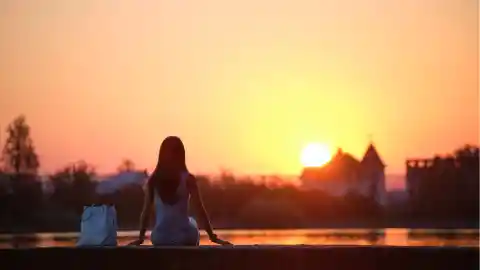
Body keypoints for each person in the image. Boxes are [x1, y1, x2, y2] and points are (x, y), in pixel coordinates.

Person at [129, 136, 231, 246]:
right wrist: (213, 237)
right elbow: (199, 209)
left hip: (160, 237)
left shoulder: (154, 180)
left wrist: (140, 238)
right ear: (181, 155)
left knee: (176, 224)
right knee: (192, 221)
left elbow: (146, 213)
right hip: (184, 236)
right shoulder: (188, 178)